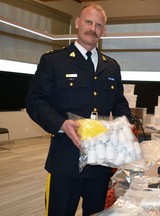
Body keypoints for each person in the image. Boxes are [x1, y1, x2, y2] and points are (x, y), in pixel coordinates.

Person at [25, 4, 132, 216]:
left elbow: (119, 102)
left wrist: (125, 123)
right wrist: (60, 123)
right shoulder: (54, 61)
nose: (93, 28)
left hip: (101, 163)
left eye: (99, 25)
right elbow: (35, 101)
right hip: (66, 162)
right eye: (89, 22)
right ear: (77, 23)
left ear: (104, 31)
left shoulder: (111, 66)